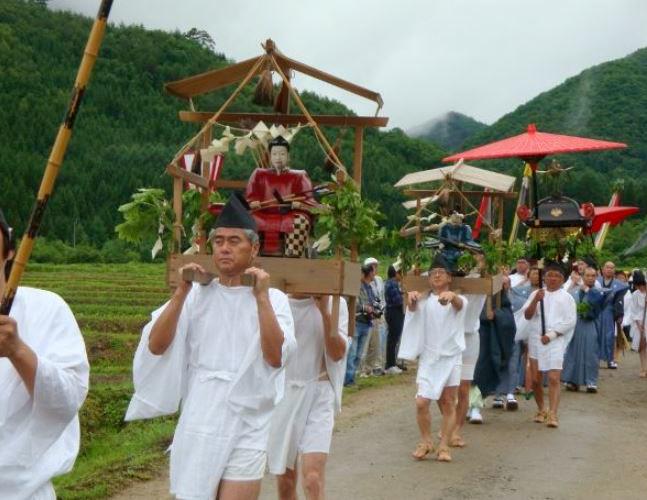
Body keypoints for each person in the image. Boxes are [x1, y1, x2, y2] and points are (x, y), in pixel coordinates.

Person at [125, 194, 296, 500]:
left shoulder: (274, 300)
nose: (225, 248)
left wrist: (261, 297)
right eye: (218, 241)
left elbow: (274, 358)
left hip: (248, 415)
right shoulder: (196, 295)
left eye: (234, 241)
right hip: (201, 412)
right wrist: (181, 293)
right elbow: (156, 345)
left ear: (254, 248)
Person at [0, 208, 89, 499]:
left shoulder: (47, 308)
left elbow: (68, 399)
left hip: (24, 492)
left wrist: (18, 351)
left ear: (9, 251)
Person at [268, 294, 348, 500]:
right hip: (283, 394)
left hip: (319, 391)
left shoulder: (334, 302)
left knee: (313, 479)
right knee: (285, 481)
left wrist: (324, 311)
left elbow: (337, 353)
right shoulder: (275, 300)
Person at [398, 254, 468, 462]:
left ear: (449, 278)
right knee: (421, 402)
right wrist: (410, 299)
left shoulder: (459, 298)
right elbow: (411, 310)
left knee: (448, 402)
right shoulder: (423, 300)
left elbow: (458, 304)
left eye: (441, 273)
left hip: (451, 357)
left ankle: (444, 445)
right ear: (429, 279)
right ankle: (426, 441)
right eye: (433, 273)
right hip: (429, 358)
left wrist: (451, 297)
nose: (437, 275)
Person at [522, 262, 577, 428]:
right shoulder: (536, 294)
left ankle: (553, 414)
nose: (552, 278)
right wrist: (535, 301)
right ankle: (541, 409)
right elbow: (527, 315)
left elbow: (570, 322)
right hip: (536, 339)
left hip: (555, 340)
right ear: (544, 277)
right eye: (549, 275)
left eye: (557, 276)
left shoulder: (567, 298)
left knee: (554, 378)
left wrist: (552, 335)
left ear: (562, 279)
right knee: (537, 380)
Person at [246, 136, 317, 257]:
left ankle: (292, 256)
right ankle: (250, 254)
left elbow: (308, 199)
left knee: (300, 221)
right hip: (263, 212)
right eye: (274, 154)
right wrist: (253, 202)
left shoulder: (300, 175)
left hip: (289, 213)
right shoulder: (259, 174)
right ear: (270, 156)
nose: (278, 158)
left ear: (288, 156)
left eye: (282, 154)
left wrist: (299, 205)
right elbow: (250, 197)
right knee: (246, 220)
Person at [450, 287, 486, 448]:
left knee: (464, 388)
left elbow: (494, 275)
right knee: (446, 389)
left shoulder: (481, 281)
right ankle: (448, 422)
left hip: (470, 337)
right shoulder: (445, 279)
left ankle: (456, 430)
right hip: (448, 338)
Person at [562, 267, 605, 392]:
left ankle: (591, 382)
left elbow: (597, 302)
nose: (590, 278)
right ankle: (572, 381)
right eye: (587, 275)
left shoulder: (598, 292)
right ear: (583, 276)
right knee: (573, 352)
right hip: (575, 324)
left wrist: (586, 289)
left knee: (591, 352)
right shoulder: (573, 291)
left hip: (590, 324)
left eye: (593, 276)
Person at [344, 264, 376, 386]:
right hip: (355, 321)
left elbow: (373, 301)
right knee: (352, 353)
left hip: (366, 322)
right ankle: (348, 380)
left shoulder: (369, 288)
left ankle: (351, 378)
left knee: (358, 354)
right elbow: (348, 303)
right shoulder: (352, 286)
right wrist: (363, 307)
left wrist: (374, 309)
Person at [596, 261, 628, 369]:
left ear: (614, 270)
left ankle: (610, 360)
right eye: (607, 267)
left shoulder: (619, 285)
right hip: (596, 312)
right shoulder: (596, 281)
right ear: (603, 269)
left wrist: (619, 315)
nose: (609, 269)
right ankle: (595, 359)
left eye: (612, 268)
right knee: (595, 335)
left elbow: (619, 301)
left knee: (609, 336)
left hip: (609, 312)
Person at [361, 257, 386, 376]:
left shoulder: (379, 280)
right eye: (373, 266)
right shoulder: (364, 282)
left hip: (379, 314)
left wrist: (381, 310)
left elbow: (381, 296)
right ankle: (363, 368)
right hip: (368, 315)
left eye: (376, 266)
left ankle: (373, 366)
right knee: (367, 342)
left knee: (377, 342)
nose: (375, 268)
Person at [384, 264, 404, 375]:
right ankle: (390, 365)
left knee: (394, 339)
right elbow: (398, 301)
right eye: (400, 273)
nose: (401, 275)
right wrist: (405, 297)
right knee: (392, 339)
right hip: (394, 312)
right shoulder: (392, 283)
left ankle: (392, 363)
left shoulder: (392, 283)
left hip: (394, 312)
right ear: (396, 273)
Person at [629, 271, 647, 377]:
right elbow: (633, 310)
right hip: (640, 321)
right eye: (638, 286)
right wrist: (638, 325)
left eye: (642, 285)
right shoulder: (635, 295)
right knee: (642, 346)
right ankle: (644, 368)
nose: (640, 288)